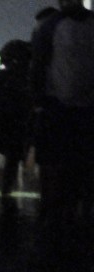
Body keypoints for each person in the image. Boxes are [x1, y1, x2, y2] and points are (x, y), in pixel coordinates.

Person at [30, 0, 94, 226]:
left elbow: (37, 66)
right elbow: (37, 66)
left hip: (77, 111)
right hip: (59, 109)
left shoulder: (52, 25)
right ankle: (55, 219)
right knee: (57, 170)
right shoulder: (51, 26)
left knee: (75, 171)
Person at [0, 39, 34, 197]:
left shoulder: (4, 76)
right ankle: (7, 192)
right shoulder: (26, 78)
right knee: (14, 158)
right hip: (19, 119)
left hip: (6, 118)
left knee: (9, 156)